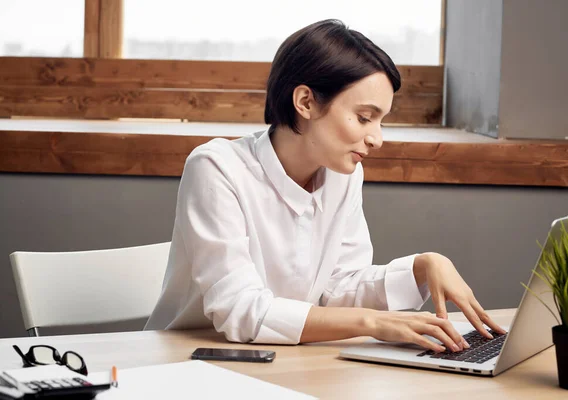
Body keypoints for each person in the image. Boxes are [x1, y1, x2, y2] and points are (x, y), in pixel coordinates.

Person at [145, 19, 505, 353]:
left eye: (380, 121)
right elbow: (240, 309)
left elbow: (335, 289)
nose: (376, 138)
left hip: (282, 359)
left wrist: (422, 267)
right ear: (305, 102)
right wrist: (375, 323)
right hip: (193, 361)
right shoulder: (217, 168)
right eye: (364, 118)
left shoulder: (342, 175)